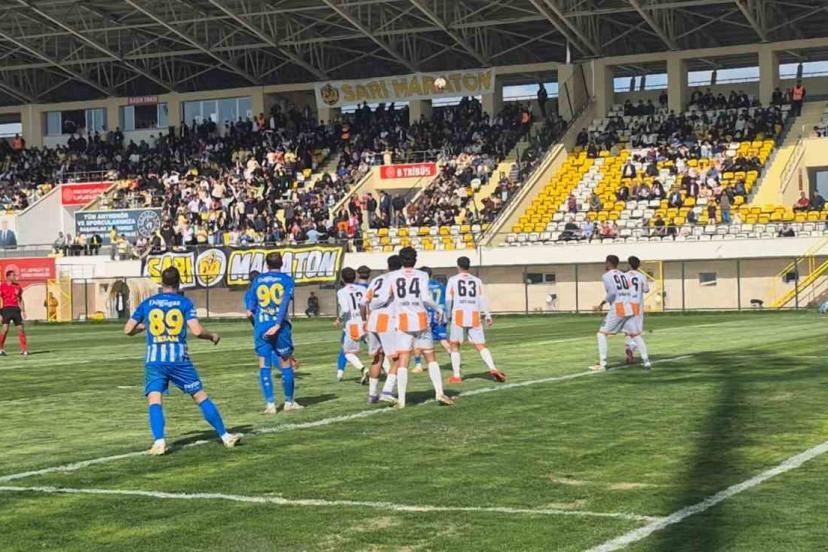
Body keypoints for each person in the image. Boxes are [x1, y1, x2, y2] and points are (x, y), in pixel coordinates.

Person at [124, 266, 240, 455]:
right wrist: (212, 336)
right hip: (179, 360)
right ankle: (225, 436)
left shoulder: (148, 303)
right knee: (200, 397)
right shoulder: (184, 303)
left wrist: (145, 327)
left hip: (155, 360)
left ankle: (159, 441)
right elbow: (197, 331)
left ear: (161, 283)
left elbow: (128, 330)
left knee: (155, 400)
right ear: (178, 283)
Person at [369, 247, 453, 408]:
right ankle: (439, 392)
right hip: (420, 319)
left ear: (401, 260)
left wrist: (372, 305)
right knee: (430, 356)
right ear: (415, 260)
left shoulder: (393, 276)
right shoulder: (422, 275)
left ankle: (401, 400)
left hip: (402, 321)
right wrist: (438, 309)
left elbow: (384, 298)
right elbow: (426, 299)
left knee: (403, 360)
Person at [246, 252, 303, 413]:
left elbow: (250, 309)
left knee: (264, 365)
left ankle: (270, 404)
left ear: (266, 264)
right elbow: (284, 304)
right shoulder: (287, 280)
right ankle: (288, 402)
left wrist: (259, 324)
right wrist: (277, 324)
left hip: (261, 325)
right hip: (280, 327)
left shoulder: (258, 280)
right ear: (282, 263)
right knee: (285, 363)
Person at [445, 256, 506, 383]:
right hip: (474, 314)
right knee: (480, 345)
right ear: (469, 266)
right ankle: (492, 367)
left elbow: (449, 299)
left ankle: (456, 376)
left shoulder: (453, 280)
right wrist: (487, 315)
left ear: (458, 266)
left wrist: (448, 314)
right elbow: (482, 299)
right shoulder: (477, 281)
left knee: (454, 345)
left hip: (459, 314)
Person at [591, 255, 650, 371]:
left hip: (619, 307)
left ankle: (602, 364)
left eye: (605, 262)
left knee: (601, 334)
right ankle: (646, 362)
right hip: (630, 307)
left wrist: (602, 303)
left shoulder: (607, 276)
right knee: (635, 334)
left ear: (608, 263)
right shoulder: (623, 274)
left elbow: (612, 292)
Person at [363, 255, 402, 404]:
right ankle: (387, 391)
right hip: (387, 320)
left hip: (372, 320)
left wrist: (364, 319)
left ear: (388, 265)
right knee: (398, 359)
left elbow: (363, 302)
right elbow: (385, 298)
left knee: (377, 358)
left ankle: (372, 394)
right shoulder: (397, 278)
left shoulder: (377, 279)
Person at [335, 265, 371, 382]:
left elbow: (345, 309)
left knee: (348, 353)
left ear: (342, 278)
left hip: (353, 325)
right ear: (355, 277)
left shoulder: (342, 291)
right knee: (376, 350)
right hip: (365, 322)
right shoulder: (362, 289)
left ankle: (364, 369)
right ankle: (390, 372)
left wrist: (339, 319)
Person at [412, 266, 452, 372]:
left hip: (426, 315)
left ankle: (418, 365)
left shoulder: (420, 285)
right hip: (439, 315)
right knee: (443, 340)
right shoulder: (440, 285)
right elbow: (446, 299)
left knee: (417, 340)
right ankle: (454, 360)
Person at [624, 256, 652, 368]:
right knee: (637, 333)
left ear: (629, 264)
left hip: (626, 305)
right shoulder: (641, 276)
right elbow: (646, 290)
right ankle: (631, 348)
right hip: (637, 306)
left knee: (628, 331)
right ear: (639, 265)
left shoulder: (624, 276)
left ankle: (629, 348)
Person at [0, 270, 28, 356]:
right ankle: (1, 349)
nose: (14, 277)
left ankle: (24, 350)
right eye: (13, 275)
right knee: (5, 329)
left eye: (15, 275)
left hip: (16, 309)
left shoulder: (18, 286)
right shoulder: (2, 286)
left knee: (21, 329)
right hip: (6, 309)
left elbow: (20, 299)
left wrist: (23, 311)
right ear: (8, 277)